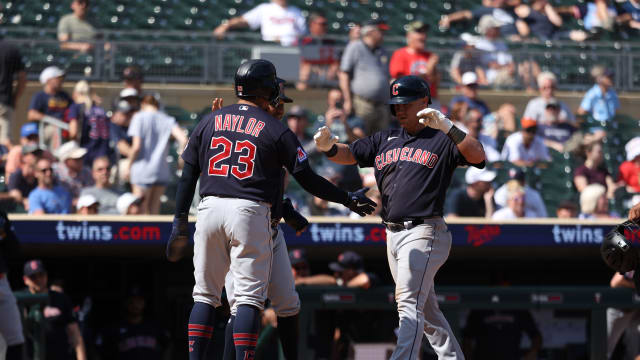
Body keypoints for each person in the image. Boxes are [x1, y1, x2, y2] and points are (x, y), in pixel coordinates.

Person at [164, 59, 375, 360]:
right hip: (250, 215)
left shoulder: (210, 120)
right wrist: (345, 198)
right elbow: (308, 179)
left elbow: (189, 173)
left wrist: (180, 221)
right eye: (276, 90)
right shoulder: (275, 129)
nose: (281, 101)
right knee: (246, 301)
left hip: (213, 209)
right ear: (265, 90)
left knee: (210, 296)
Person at [314, 75, 486, 359]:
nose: (400, 109)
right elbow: (350, 154)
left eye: (406, 103)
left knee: (407, 301)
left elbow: (478, 156)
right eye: (396, 104)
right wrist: (329, 147)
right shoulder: (386, 138)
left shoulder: (442, 138)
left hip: (424, 231)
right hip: (392, 234)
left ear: (424, 102)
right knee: (426, 310)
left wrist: (447, 126)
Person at [210, 80, 310, 360]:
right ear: (263, 98)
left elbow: (268, 187)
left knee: (289, 304)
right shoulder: (256, 132)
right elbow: (244, 185)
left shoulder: (276, 132)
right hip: (241, 225)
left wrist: (287, 212)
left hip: (270, 227)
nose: (280, 107)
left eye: (283, 103)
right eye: (277, 100)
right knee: (241, 305)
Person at [127, 94, 188, 214]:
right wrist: (181, 160)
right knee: (154, 212)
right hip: (161, 170)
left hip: (141, 170)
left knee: (140, 212)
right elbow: (184, 139)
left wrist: (128, 166)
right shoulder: (167, 119)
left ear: (143, 104)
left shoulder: (138, 117)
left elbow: (136, 147)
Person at [22, 260, 87, 360]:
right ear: (25, 279)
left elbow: (74, 332)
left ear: (46, 275)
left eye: (41, 275)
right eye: (33, 277)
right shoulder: (20, 300)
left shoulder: (60, 298)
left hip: (59, 355)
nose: (38, 279)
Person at [339, 19, 391, 134]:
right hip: (362, 104)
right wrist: (347, 100)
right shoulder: (355, 47)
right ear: (370, 32)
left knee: (381, 144)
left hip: (382, 106)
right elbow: (344, 74)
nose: (384, 34)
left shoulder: (382, 51)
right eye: (380, 31)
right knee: (362, 142)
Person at [96, 286, 171, 360]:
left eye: (138, 301)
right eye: (131, 301)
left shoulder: (155, 326)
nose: (135, 304)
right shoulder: (114, 328)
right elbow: (97, 349)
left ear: (144, 303)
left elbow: (169, 345)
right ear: (126, 303)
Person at [389, 21, 440, 109]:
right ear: (409, 36)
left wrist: (432, 69)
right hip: (410, 102)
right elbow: (400, 82)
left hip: (429, 101)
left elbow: (435, 82)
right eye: (419, 32)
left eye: (424, 32)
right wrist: (428, 69)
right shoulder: (400, 54)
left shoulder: (429, 56)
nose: (423, 36)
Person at [212, 0, 305, 46]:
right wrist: (225, 26)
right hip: (270, 47)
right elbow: (244, 20)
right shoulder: (265, 8)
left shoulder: (296, 11)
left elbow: (304, 33)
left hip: (293, 49)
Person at [463, 309, 542, 360]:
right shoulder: (479, 310)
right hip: (483, 357)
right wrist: (468, 356)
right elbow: (467, 338)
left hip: (511, 357)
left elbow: (535, 335)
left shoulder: (518, 310)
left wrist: (533, 352)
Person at [28, 66, 73, 149]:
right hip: (46, 129)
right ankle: (56, 159)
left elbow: (74, 109)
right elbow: (31, 115)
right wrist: (53, 121)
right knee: (55, 130)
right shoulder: (40, 96)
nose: (61, 81)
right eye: (58, 78)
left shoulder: (65, 96)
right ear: (48, 80)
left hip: (65, 128)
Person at [67, 80, 111, 166]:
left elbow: (73, 132)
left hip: (87, 152)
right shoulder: (100, 109)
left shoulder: (76, 107)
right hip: (104, 152)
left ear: (76, 93)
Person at [0, 211, 24, 360]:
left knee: (16, 339)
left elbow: (15, 250)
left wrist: (3, 233)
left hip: (2, 280)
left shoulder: (0, 215)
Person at [439, 0, 527, 39]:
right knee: (486, 19)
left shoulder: (514, 12)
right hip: (495, 40)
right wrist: (449, 18)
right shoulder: (490, 10)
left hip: (512, 41)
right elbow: (466, 14)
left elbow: (524, 32)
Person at [297, 13, 339, 90]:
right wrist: (316, 69)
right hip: (310, 70)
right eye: (321, 24)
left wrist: (331, 69)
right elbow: (302, 61)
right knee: (305, 71)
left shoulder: (330, 41)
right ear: (312, 25)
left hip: (326, 69)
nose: (324, 27)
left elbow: (335, 61)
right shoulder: (304, 41)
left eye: (325, 24)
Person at [606, 270, 640, 359]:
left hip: (635, 310)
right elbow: (615, 281)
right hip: (619, 309)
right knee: (604, 348)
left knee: (634, 349)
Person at [0, 39, 26, 145]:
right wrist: (14, 99)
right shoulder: (10, 48)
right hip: (4, 101)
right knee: (5, 141)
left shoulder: (10, 48)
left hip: (4, 100)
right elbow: (22, 78)